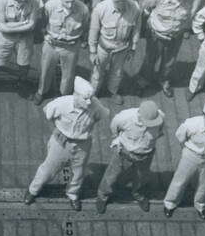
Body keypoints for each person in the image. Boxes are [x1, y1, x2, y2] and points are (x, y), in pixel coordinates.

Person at [26, 76, 109, 209]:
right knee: (48, 170)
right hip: (61, 142)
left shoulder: (95, 105)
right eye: (85, 98)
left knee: (79, 173)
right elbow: (48, 113)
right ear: (76, 95)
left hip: (83, 144)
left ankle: (73, 194)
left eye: (90, 98)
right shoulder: (61, 103)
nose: (89, 102)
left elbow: (101, 115)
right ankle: (33, 190)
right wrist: (59, 129)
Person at [163, 99, 205, 219]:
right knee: (179, 180)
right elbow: (180, 137)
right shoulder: (191, 124)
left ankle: (200, 205)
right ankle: (170, 203)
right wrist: (189, 150)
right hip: (191, 155)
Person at [95, 100, 165, 213]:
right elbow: (114, 128)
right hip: (124, 153)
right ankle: (102, 196)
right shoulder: (124, 118)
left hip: (146, 154)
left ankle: (138, 194)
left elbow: (160, 131)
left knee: (142, 177)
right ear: (139, 115)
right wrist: (117, 140)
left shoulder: (160, 117)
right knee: (111, 175)